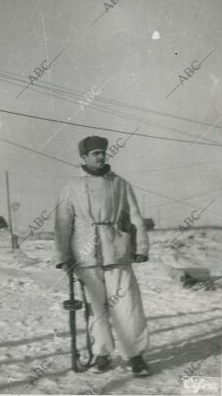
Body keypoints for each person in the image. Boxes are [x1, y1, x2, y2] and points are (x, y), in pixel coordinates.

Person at [54, 136, 150, 375]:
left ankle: (135, 355)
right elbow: (62, 224)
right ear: (84, 157)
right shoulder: (71, 188)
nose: (100, 156)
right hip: (85, 255)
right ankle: (102, 353)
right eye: (95, 153)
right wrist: (63, 256)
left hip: (116, 250)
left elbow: (135, 217)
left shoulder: (120, 184)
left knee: (127, 306)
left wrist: (141, 248)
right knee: (97, 308)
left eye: (102, 152)